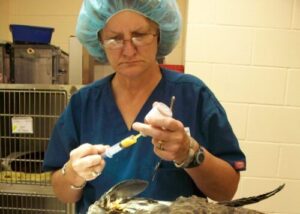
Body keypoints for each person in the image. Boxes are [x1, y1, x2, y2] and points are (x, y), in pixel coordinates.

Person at [43, 0, 246, 213]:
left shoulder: (192, 95)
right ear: (100, 42)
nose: (129, 50)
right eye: (115, 39)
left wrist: (188, 153)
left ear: (159, 35)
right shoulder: (83, 103)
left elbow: (226, 190)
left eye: (139, 35)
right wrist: (73, 174)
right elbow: (62, 192)